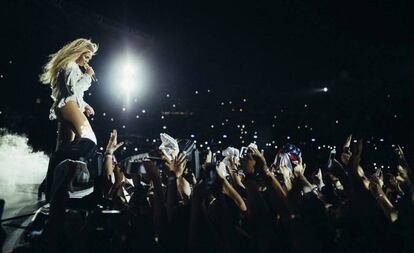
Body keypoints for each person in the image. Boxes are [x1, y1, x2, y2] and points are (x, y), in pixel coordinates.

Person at [40, 38, 98, 149]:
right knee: (89, 140)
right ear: (79, 52)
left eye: (89, 59)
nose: (87, 61)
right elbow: (72, 91)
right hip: (69, 106)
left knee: (63, 148)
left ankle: (58, 166)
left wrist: (84, 105)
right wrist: (87, 76)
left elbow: (71, 92)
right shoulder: (70, 66)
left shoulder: (68, 66)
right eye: (86, 57)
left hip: (66, 106)